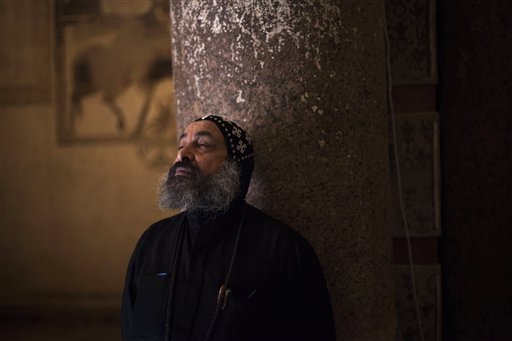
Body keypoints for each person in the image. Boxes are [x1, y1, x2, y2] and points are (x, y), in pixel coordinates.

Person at [121, 115, 335, 341]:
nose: (182, 154)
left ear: (234, 167)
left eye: (202, 145)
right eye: (181, 145)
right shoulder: (153, 242)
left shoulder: (283, 250)